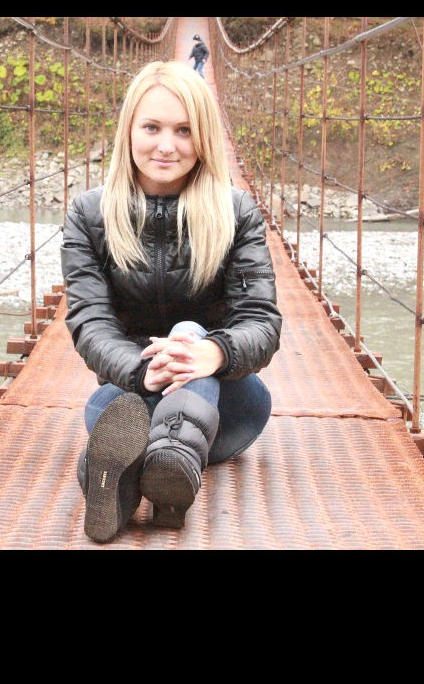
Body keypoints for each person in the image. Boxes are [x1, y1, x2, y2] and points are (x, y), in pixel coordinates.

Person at [60, 60, 282, 543]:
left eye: (184, 130)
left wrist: (213, 352)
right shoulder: (90, 214)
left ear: (203, 138)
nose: (166, 145)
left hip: (230, 406)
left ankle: (125, 473)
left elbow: (261, 321)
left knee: (186, 334)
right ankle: (166, 473)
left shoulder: (236, 212)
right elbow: (90, 322)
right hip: (133, 389)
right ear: (129, 130)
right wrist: (143, 369)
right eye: (152, 127)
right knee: (113, 407)